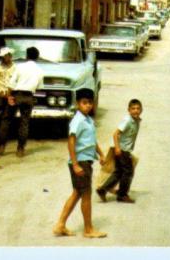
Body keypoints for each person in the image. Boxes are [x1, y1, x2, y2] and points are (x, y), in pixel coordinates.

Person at [54, 89, 107, 239]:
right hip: (81, 162)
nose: (88, 106)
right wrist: (75, 164)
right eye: (84, 103)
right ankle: (88, 229)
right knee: (86, 195)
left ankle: (60, 225)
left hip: (86, 161)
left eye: (90, 102)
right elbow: (71, 142)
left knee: (77, 193)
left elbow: (91, 141)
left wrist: (101, 154)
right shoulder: (77, 120)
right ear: (78, 104)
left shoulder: (88, 120)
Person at [0, 46, 43, 157]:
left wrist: (9, 96)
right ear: (37, 57)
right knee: (24, 123)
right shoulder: (40, 70)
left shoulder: (20, 67)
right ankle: (20, 149)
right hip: (28, 97)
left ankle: (1, 147)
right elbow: (39, 87)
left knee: (6, 120)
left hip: (16, 95)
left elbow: (11, 83)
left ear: (26, 56)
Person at [96, 99, 142, 204]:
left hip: (123, 150)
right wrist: (117, 148)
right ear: (129, 110)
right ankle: (122, 195)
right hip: (122, 150)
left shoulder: (136, 120)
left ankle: (102, 189)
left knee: (118, 172)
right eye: (133, 109)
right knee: (128, 172)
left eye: (138, 108)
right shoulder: (127, 120)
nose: (136, 111)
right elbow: (115, 134)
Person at [0, 47, 16, 145]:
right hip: (1, 93)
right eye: (4, 56)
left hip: (11, 93)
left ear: (10, 56)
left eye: (7, 56)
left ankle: (7, 134)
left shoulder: (15, 68)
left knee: (9, 114)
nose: (5, 58)